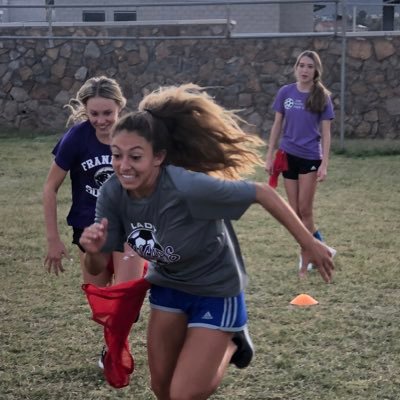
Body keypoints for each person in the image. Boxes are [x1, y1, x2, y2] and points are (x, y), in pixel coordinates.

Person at [79, 83, 334, 400]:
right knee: (162, 390)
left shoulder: (187, 188)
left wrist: (308, 242)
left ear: (158, 157)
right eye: (116, 155)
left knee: (183, 395)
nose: (123, 166)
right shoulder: (112, 192)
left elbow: (262, 192)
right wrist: (92, 252)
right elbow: (99, 264)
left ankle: (232, 341)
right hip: (169, 287)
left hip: (215, 290)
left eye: (135, 156)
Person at [42, 76, 145, 366]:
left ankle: (116, 353)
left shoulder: (135, 136)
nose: (101, 120)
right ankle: (113, 345)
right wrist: (53, 239)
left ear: (120, 108)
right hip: (89, 230)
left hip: (127, 228)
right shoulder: (76, 138)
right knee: (102, 302)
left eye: (108, 113)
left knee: (126, 300)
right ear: (86, 111)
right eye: (94, 113)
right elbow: (50, 187)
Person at [265, 50, 336, 275]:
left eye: (310, 66)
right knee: (294, 212)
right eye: (302, 65)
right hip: (288, 156)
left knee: (305, 210)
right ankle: (321, 248)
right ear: (296, 67)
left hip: (310, 158)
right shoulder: (285, 92)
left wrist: (324, 163)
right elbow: (277, 125)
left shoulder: (321, 96)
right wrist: (270, 154)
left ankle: (307, 254)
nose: (305, 70)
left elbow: (326, 134)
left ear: (316, 71)